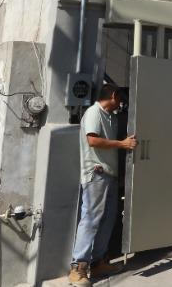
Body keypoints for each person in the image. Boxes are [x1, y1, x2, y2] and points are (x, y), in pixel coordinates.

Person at [69, 85, 137, 286]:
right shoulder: (94, 112)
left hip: (110, 174)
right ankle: (77, 268)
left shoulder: (111, 117)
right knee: (91, 218)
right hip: (96, 173)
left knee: (108, 218)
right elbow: (92, 140)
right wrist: (122, 144)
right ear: (113, 95)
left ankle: (97, 262)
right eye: (122, 99)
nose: (122, 104)